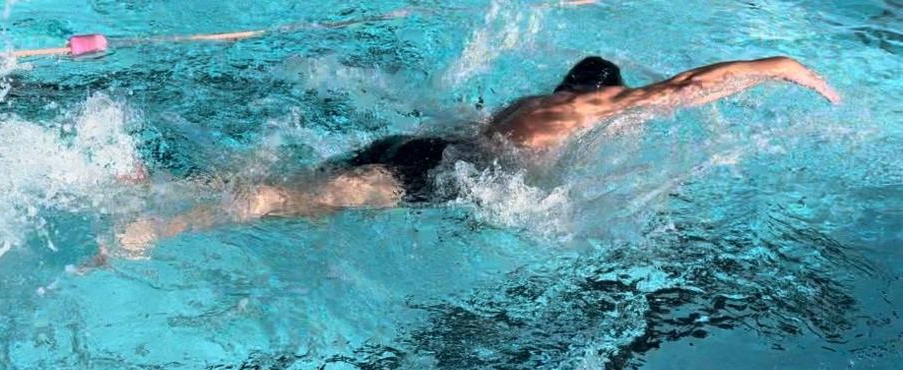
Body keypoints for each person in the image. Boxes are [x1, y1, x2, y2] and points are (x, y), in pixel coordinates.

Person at [114, 55, 839, 255]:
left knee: (293, 179)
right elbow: (686, 88)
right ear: (601, 92)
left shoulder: (527, 106)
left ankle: (158, 185)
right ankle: (156, 226)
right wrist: (782, 67)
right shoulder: (589, 109)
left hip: (418, 148)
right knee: (295, 203)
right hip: (430, 172)